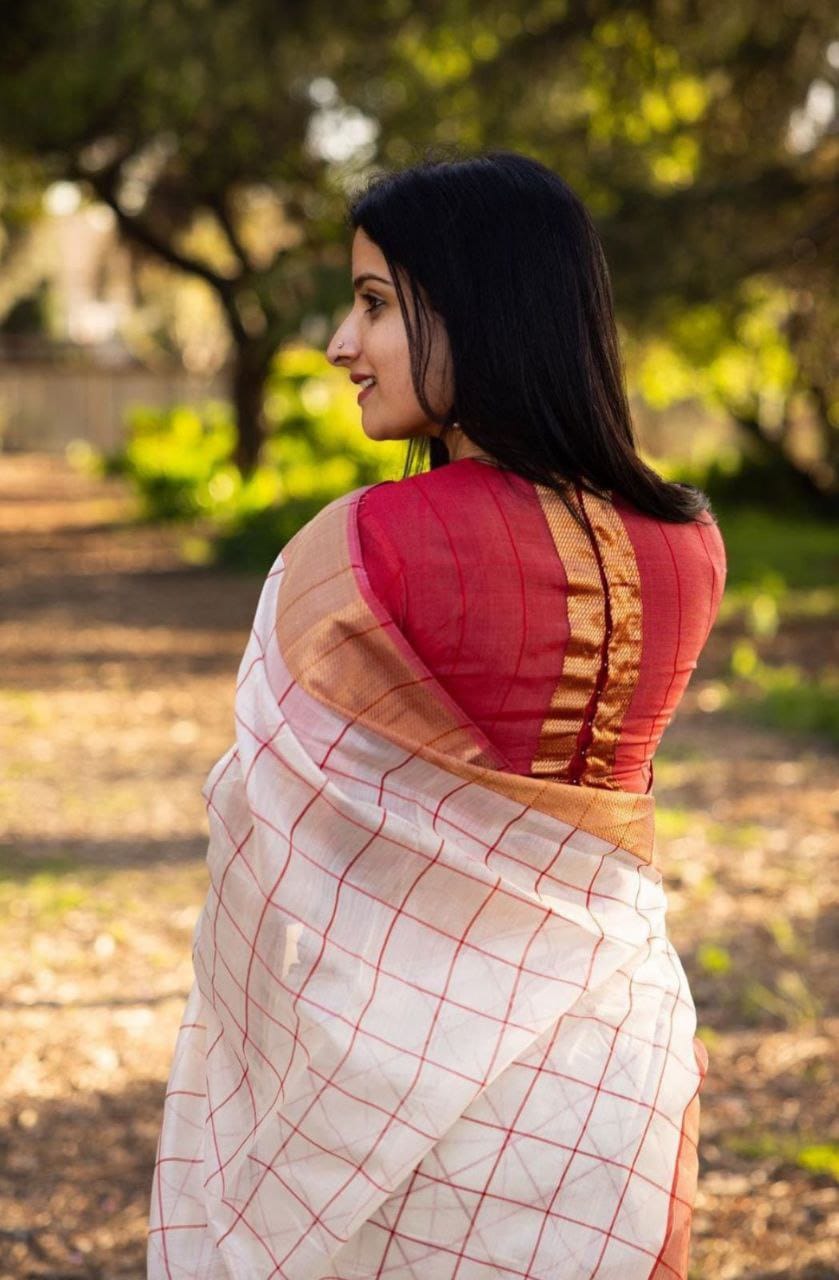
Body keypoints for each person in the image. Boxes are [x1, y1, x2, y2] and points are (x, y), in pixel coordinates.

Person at [147, 150, 726, 1279]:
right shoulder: (688, 545)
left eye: (371, 303)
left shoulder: (365, 547)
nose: (337, 344)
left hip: (394, 1104)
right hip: (612, 1073)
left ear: (479, 304)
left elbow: (265, 849)